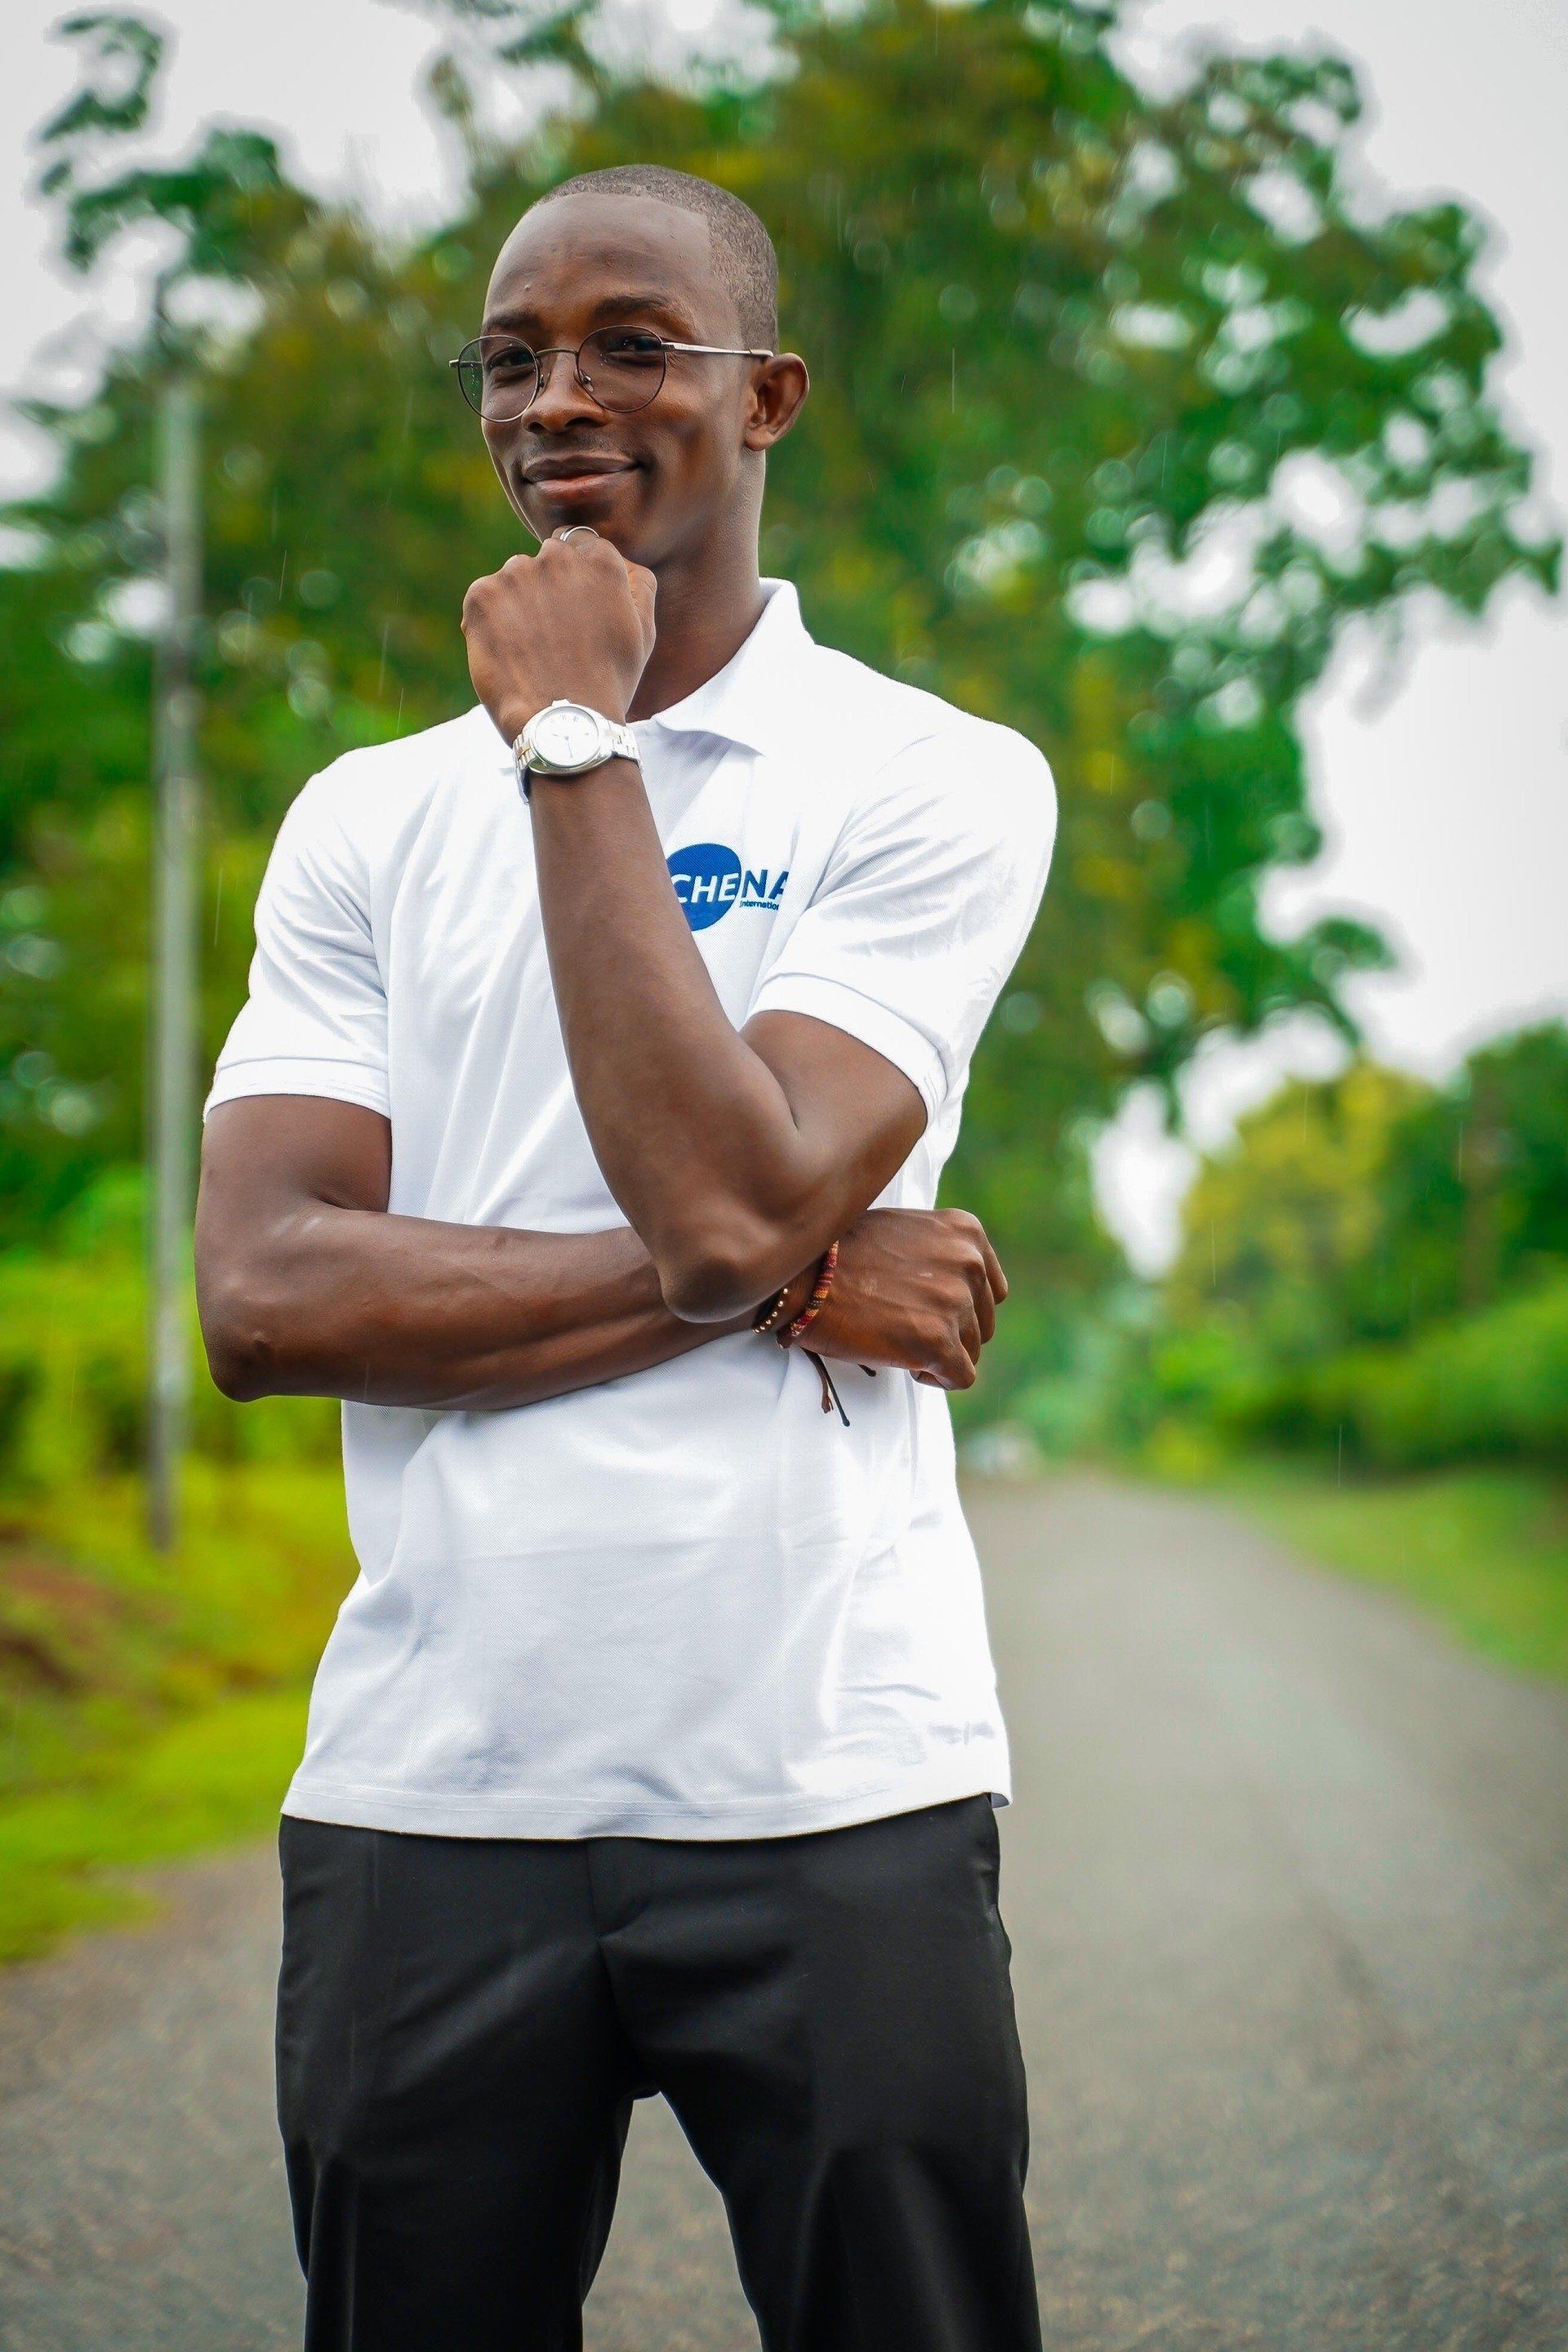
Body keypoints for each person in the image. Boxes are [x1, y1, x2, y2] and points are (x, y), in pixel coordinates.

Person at [195, 163, 1055, 2352]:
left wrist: (582, 741)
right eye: (512, 355)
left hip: (827, 1780)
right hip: (429, 1787)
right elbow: (271, 1299)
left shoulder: (934, 780)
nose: (558, 394)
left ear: (766, 395)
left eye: (627, 343)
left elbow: (722, 1198)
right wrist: (782, 1276)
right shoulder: (368, 820)